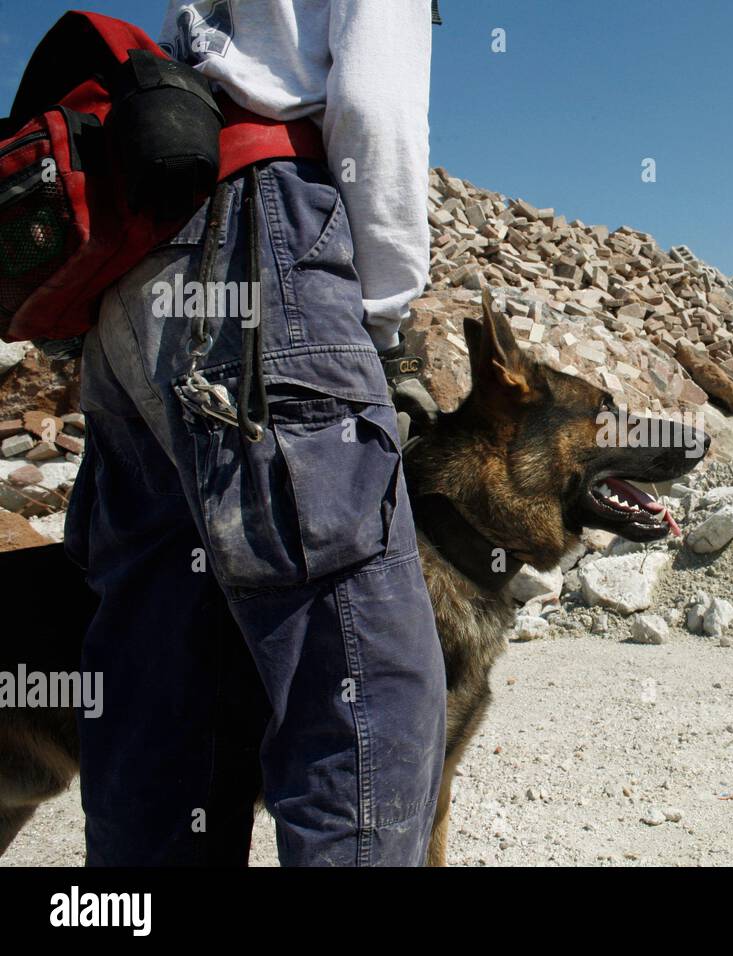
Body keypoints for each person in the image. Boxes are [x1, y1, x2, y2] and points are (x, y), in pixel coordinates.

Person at [63, 0, 446, 866]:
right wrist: (378, 322)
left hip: (142, 258)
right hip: (264, 240)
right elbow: (374, 112)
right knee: (366, 687)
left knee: (160, 674)